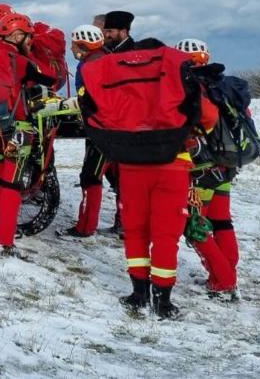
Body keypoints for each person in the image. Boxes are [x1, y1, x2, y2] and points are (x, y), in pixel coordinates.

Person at [80, 39, 217, 319]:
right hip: (173, 165)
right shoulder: (173, 76)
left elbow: (93, 112)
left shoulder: (121, 82)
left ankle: (138, 293)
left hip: (130, 166)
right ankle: (163, 300)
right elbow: (209, 117)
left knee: (135, 230)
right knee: (166, 235)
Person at [0, 12, 56, 255]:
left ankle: (3, 230)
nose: (30, 41)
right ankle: (4, 242)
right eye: (28, 36)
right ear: (17, 34)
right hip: (17, 129)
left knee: (0, 178)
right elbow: (49, 76)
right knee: (11, 184)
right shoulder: (20, 60)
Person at [179, 38, 240, 300]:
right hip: (226, 165)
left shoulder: (190, 87)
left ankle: (223, 281)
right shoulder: (221, 85)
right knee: (222, 221)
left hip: (200, 170)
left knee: (194, 226)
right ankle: (227, 275)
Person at [58, 24, 113, 238]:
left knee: (90, 177)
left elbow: (87, 99)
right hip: (118, 130)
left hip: (101, 131)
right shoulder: (108, 58)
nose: (72, 50)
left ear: (83, 44)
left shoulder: (88, 66)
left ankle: (86, 226)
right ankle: (125, 224)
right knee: (118, 180)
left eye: (74, 44)